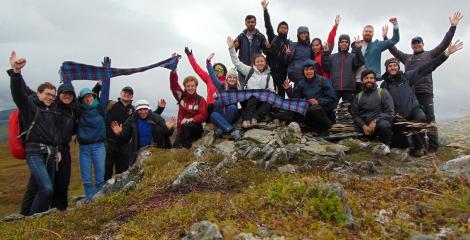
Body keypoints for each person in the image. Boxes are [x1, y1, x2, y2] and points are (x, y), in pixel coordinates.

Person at [384, 11, 463, 153]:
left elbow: (444, 44)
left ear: (422, 44)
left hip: (425, 92)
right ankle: (418, 145)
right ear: (411, 46)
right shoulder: (407, 58)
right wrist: (385, 37)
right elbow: (394, 51)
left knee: (429, 119)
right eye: (413, 43)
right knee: (415, 120)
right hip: (410, 96)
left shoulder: (430, 54)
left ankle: (433, 148)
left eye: (418, 43)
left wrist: (452, 27)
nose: (416, 45)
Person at [9, 51, 61, 215]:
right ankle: (35, 220)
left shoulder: (52, 111)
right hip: (35, 153)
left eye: (53, 95)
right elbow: (18, 93)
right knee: (46, 189)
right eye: (47, 94)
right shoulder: (30, 107)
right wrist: (16, 73)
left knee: (34, 188)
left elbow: (54, 133)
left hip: (51, 154)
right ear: (38, 94)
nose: (51, 98)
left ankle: (23, 217)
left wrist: (57, 149)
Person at [76, 57, 111, 200]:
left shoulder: (100, 107)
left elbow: (106, 91)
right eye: (85, 97)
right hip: (84, 147)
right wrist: (66, 78)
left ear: (93, 96)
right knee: (86, 178)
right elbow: (69, 93)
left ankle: (98, 200)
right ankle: (89, 199)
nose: (88, 98)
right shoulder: (79, 110)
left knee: (100, 176)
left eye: (90, 96)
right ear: (81, 99)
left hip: (98, 146)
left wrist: (106, 71)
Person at [228, 36, 275, 129]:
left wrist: (272, 91)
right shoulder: (249, 71)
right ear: (254, 63)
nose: (260, 63)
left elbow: (271, 91)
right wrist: (231, 48)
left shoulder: (269, 77)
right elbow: (236, 62)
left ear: (265, 63)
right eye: (257, 62)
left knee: (270, 101)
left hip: (260, 103)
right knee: (253, 96)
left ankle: (255, 118)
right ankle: (246, 120)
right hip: (248, 100)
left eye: (262, 61)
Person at [110, 99, 176, 163]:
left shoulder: (157, 119)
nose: (143, 112)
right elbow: (126, 137)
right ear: (136, 110)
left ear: (148, 109)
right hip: (138, 151)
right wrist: (119, 133)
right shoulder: (131, 121)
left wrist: (169, 129)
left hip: (156, 150)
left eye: (145, 109)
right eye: (140, 110)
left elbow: (165, 134)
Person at [283, 59, 337, 136]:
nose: (309, 72)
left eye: (311, 69)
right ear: (303, 71)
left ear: (315, 70)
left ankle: (329, 127)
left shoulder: (323, 80)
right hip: (309, 111)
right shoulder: (301, 83)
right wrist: (289, 90)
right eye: (306, 69)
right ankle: (313, 128)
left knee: (315, 109)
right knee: (292, 110)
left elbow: (332, 98)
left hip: (323, 110)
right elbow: (296, 99)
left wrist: (318, 101)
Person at [351, 70, 395, 152]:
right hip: (364, 128)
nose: (369, 80)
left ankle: (386, 146)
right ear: (362, 81)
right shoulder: (358, 96)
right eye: (366, 78)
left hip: (378, 126)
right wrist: (363, 126)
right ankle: (362, 146)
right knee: (353, 128)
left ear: (375, 80)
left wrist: (375, 121)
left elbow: (390, 112)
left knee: (385, 125)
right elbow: (355, 115)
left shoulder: (382, 92)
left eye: (371, 78)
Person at [354, 17, 400, 92]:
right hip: (356, 81)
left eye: (370, 32)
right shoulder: (355, 45)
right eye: (366, 31)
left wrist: (395, 25)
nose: (368, 33)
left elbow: (395, 39)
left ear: (373, 34)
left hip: (371, 81)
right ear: (363, 33)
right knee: (356, 102)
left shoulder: (377, 45)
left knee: (372, 102)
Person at [170, 64, 208, 149]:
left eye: (192, 86)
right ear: (185, 87)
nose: (190, 88)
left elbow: (204, 115)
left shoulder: (200, 99)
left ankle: (187, 149)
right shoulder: (181, 97)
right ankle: (183, 147)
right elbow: (174, 85)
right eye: (188, 86)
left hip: (196, 129)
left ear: (196, 86)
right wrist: (173, 71)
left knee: (186, 125)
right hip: (181, 130)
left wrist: (191, 119)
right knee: (175, 147)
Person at [322, 34, 364, 108]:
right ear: (339, 44)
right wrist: (325, 53)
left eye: (346, 42)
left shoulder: (353, 56)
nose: (344, 43)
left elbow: (360, 62)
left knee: (351, 110)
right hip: (335, 88)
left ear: (348, 44)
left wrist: (358, 49)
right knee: (331, 108)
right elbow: (326, 67)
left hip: (349, 88)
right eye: (341, 42)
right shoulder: (332, 57)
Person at [206, 53, 241, 140]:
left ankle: (221, 129)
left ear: (236, 79)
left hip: (232, 114)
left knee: (232, 107)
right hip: (220, 113)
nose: (232, 79)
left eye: (234, 77)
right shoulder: (221, 87)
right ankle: (231, 130)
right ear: (227, 78)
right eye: (230, 77)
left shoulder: (239, 90)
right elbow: (213, 77)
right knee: (214, 113)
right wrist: (208, 62)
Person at [184, 47, 227, 115]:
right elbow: (197, 69)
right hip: (210, 108)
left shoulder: (227, 81)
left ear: (224, 71)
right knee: (209, 108)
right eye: (216, 69)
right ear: (212, 71)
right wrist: (190, 56)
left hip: (223, 108)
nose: (219, 71)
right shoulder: (208, 78)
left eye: (221, 69)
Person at [261, 0, 290, 97]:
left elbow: (290, 59)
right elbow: (268, 25)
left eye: (285, 28)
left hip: (282, 72)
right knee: (270, 92)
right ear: (278, 29)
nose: (283, 29)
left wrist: (289, 54)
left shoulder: (289, 43)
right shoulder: (273, 38)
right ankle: (269, 110)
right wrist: (265, 10)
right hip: (270, 70)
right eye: (281, 27)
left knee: (281, 93)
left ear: (287, 30)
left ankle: (280, 111)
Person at [234, 14, 270, 83]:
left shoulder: (261, 36)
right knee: (243, 90)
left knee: (256, 89)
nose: (250, 24)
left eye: (252, 22)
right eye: (248, 22)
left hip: (256, 68)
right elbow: (233, 52)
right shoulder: (241, 36)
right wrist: (234, 47)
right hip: (242, 68)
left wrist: (267, 47)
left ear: (255, 23)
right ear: (245, 23)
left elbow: (266, 52)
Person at [311, 15, 341, 79]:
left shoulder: (325, 52)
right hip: (316, 83)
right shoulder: (312, 57)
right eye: (313, 46)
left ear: (321, 46)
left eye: (317, 45)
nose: (315, 47)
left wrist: (335, 26)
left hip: (327, 82)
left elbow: (330, 39)